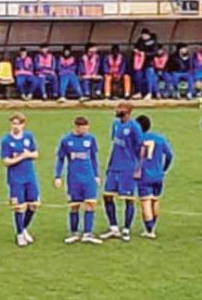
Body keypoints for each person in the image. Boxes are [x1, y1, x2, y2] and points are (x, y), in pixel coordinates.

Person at [55, 116, 102, 245]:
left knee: (90, 204)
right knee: (74, 205)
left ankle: (88, 233)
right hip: (74, 178)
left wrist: (97, 175)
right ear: (76, 127)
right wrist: (58, 176)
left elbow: (94, 158)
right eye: (83, 128)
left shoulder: (91, 139)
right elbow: (61, 159)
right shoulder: (66, 140)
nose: (86, 131)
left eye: (87, 128)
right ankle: (74, 233)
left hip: (89, 177)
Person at [103, 102, 144, 241]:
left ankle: (126, 229)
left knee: (128, 199)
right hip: (114, 167)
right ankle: (113, 227)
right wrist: (109, 164)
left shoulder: (134, 126)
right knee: (107, 196)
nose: (117, 110)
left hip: (128, 168)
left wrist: (138, 168)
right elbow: (115, 146)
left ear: (128, 111)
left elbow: (141, 148)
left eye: (120, 108)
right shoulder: (115, 124)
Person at [0, 114, 42, 247]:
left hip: (30, 176)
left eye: (18, 123)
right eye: (13, 123)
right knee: (19, 207)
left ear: (23, 124)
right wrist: (21, 157)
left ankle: (24, 228)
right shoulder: (6, 140)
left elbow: (36, 154)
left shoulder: (28, 137)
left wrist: (28, 154)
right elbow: (6, 161)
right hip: (16, 178)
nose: (15, 126)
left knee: (34, 204)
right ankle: (19, 234)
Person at [135, 115, 174, 238]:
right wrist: (164, 169)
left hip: (144, 175)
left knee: (145, 202)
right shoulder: (159, 138)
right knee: (155, 200)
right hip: (158, 175)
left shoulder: (137, 139)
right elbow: (170, 155)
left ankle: (149, 230)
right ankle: (153, 227)